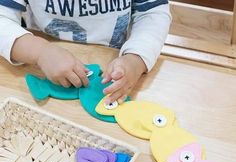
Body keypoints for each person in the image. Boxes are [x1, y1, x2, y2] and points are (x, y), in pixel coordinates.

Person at [0, 0, 171, 103]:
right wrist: (39, 51)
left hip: (113, 69)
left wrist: (136, 59)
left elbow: (153, 13)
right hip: (41, 69)